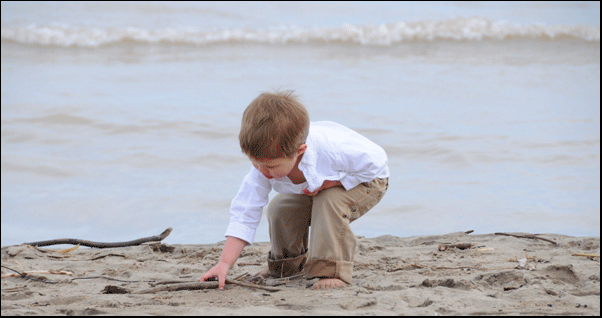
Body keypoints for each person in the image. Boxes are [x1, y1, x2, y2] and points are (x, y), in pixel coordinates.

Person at [200, 90, 389, 289]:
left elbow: (377, 163)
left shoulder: (332, 149)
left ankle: (331, 271)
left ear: (299, 151)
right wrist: (224, 263)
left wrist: (335, 182)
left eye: (271, 167)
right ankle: (286, 267)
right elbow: (245, 212)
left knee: (329, 201)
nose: (263, 171)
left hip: (367, 180)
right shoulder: (263, 166)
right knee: (280, 207)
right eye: (255, 163)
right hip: (316, 187)